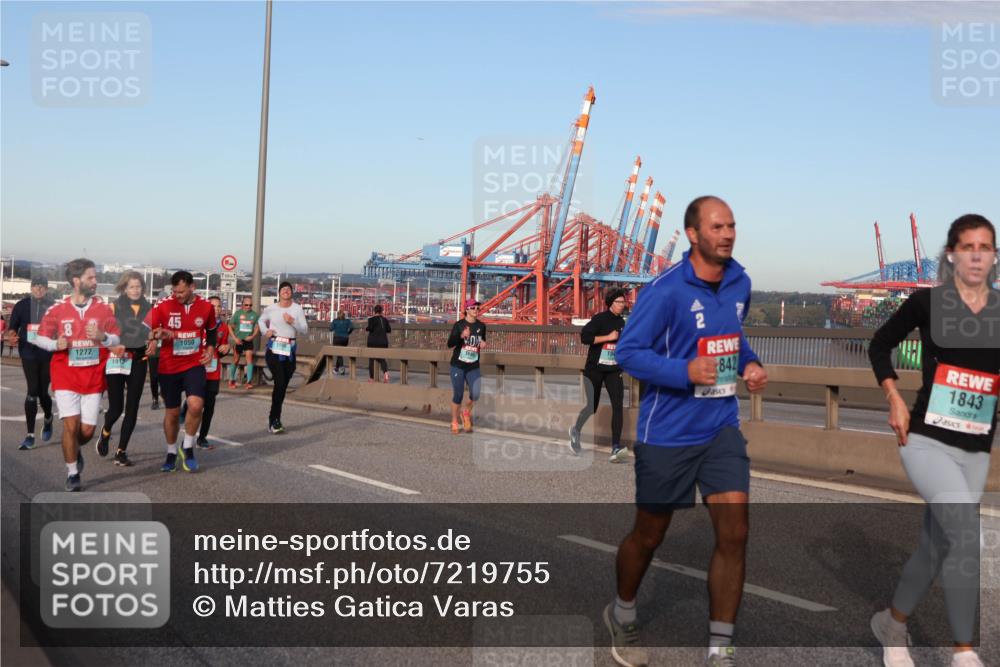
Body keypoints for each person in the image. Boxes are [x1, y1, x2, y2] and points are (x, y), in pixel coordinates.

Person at [607, 196, 767, 667]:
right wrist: (684, 371)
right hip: (668, 433)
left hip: (721, 427)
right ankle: (622, 610)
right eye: (717, 226)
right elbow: (629, 353)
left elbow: (732, 337)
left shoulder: (741, 282)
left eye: (732, 225)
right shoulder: (666, 290)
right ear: (693, 234)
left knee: (735, 533)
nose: (728, 233)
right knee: (649, 536)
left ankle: (720, 648)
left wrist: (750, 362)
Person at [868, 214, 999, 667]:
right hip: (925, 439)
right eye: (968, 247)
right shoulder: (928, 303)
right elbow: (879, 344)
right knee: (965, 534)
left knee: (936, 547)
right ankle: (963, 651)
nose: (977, 255)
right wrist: (894, 398)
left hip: (976, 449)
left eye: (986, 246)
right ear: (952, 255)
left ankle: (892, 623)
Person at [34, 258, 121, 491]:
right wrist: (55, 344)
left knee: (85, 432)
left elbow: (116, 338)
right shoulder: (58, 310)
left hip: (93, 379)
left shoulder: (102, 309)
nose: (96, 281)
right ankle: (73, 473)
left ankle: (76, 448)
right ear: (76, 280)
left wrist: (103, 337)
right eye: (91, 277)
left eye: (95, 276)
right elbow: (39, 337)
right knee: (70, 427)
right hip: (65, 377)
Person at [144, 271, 218, 473]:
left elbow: (211, 333)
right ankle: (171, 452)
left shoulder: (206, 307)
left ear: (192, 287)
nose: (177, 295)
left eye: (182, 291)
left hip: (194, 364)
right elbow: (145, 329)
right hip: (169, 366)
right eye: (175, 291)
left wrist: (210, 351)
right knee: (173, 413)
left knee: (196, 405)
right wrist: (154, 336)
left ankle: (188, 447)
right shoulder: (163, 305)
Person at [94, 271, 152, 467]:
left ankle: (121, 451)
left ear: (143, 288)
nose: (135, 290)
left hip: (138, 359)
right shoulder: (114, 306)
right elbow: (101, 333)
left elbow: (154, 332)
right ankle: (106, 430)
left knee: (132, 407)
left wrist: (154, 342)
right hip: (117, 358)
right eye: (131, 287)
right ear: (124, 288)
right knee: (116, 408)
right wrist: (111, 347)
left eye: (138, 286)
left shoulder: (150, 308)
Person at [569, 288, 628, 462]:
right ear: (611, 303)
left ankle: (615, 448)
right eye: (619, 302)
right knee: (591, 407)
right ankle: (576, 431)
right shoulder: (599, 319)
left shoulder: (623, 322)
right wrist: (608, 337)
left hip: (613, 370)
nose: (622, 305)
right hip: (594, 369)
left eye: (624, 302)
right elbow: (585, 338)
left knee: (618, 406)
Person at [6, 276, 55, 450]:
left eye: (42, 287)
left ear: (47, 289)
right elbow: (13, 327)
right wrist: (12, 335)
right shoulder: (21, 305)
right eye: (36, 286)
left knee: (43, 393)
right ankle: (30, 435)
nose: (39, 290)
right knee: (32, 390)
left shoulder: (53, 306)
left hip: (47, 353)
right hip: (28, 352)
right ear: (31, 288)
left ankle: (48, 417)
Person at [260, 282, 308, 433]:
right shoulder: (271, 308)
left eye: (289, 289)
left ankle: (274, 418)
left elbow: (305, 330)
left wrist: (292, 321)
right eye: (283, 289)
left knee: (282, 386)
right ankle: (274, 420)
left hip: (290, 350)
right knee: (280, 383)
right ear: (279, 293)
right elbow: (260, 321)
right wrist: (265, 331)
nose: (286, 291)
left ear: (292, 293)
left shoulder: (297, 309)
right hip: (274, 348)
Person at [446, 299, 487, 435]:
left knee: (475, 394)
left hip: (473, 365)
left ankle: (465, 413)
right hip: (458, 365)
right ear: (467, 310)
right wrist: (461, 335)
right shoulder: (459, 325)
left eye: (477, 308)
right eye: (473, 308)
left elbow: (481, 339)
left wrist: (482, 343)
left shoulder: (482, 326)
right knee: (458, 395)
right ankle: (454, 421)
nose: (476, 310)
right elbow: (450, 344)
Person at [196, 296, 230, 449]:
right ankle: (190, 436)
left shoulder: (223, 328)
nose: (216, 309)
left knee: (209, 406)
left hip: (213, 372)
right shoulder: (198, 324)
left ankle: (202, 438)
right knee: (196, 406)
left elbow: (221, 349)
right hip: (196, 370)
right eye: (213, 306)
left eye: (218, 307)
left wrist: (226, 349)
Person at [227, 295, 259, 389]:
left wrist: (252, 336)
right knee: (236, 360)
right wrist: (234, 338)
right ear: (242, 305)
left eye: (250, 305)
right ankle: (231, 380)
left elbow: (257, 327)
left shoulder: (255, 315)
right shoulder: (237, 314)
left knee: (249, 360)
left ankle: (248, 382)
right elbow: (230, 326)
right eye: (246, 305)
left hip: (248, 340)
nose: (248, 307)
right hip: (238, 340)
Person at [365, 304, 391, 383]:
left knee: (371, 360)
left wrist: (366, 328)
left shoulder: (371, 319)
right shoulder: (385, 320)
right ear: (381, 311)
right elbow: (389, 330)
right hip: (383, 342)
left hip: (373, 342)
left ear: (374, 311)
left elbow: (370, 328)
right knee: (382, 359)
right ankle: (386, 373)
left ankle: (372, 378)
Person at [329, 309, 354, 375]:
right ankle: (336, 369)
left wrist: (334, 327)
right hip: (345, 339)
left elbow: (330, 329)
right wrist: (348, 333)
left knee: (339, 354)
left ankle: (342, 368)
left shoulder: (335, 321)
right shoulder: (347, 321)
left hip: (337, 338)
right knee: (340, 354)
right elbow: (352, 327)